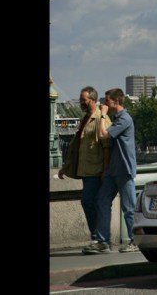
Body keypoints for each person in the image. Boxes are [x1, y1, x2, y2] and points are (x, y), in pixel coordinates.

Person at [58, 86, 111, 253]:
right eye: (81, 100)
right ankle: (99, 239)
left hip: (95, 171)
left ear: (93, 100)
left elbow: (106, 147)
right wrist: (65, 168)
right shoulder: (85, 119)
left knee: (89, 202)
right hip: (85, 170)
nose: (81, 102)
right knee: (92, 203)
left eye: (84, 100)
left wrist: (104, 171)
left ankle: (99, 239)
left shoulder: (101, 120)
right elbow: (76, 147)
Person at [87, 88, 139, 254]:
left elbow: (103, 135)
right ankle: (103, 241)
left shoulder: (124, 119)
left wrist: (102, 114)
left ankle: (135, 240)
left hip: (124, 169)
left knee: (129, 208)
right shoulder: (117, 118)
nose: (104, 104)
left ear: (116, 102)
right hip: (112, 170)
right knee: (102, 201)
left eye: (107, 101)